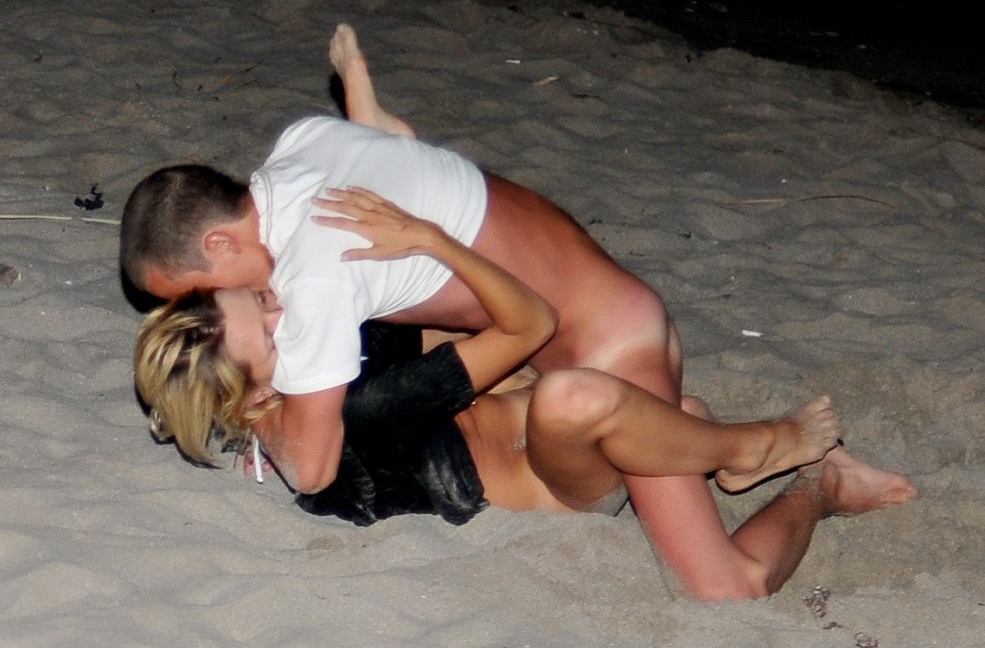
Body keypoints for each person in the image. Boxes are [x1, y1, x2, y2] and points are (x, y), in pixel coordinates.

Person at [121, 25, 917, 600]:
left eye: (190, 290)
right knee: (552, 389)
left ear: (223, 243)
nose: (198, 305)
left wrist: (257, 409)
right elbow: (393, 154)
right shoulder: (296, 152)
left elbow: (315, 459)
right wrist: (370, 115)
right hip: (576, 330)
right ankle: (683, 432)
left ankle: (797, 471)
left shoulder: (317, 273)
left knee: (723, 587)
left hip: (602, 339)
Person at [134, 186, 847, 538]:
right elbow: (530, 319)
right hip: (568, 481)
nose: (283, 309)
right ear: (255, 395)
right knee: (575, 395)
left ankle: (693, 438)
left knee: (640, 397)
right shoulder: (350, 416)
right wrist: (436, 240)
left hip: (550, 412)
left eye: (259, 297)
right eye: (268, 329)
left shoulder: (300, 396)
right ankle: (774, 462)